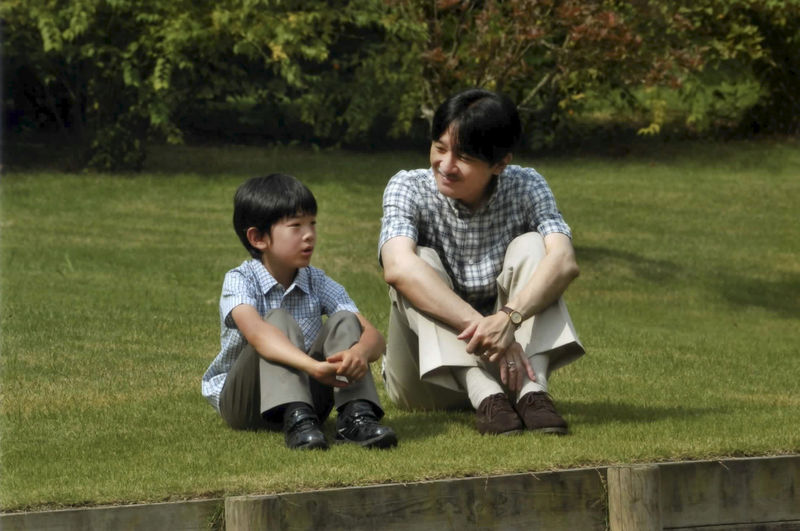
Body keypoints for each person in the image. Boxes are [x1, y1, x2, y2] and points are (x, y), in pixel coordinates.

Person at [379, 88, 584, 436]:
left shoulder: (526, 184)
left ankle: (532, 393)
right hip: (425, 382)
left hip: (510, 370)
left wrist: (511, 316)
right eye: (439, 148)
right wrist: (491, 328)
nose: (445, 165)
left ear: (501, 163)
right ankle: (483, 394)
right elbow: (397, 267)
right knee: (418, 261)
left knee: (537, 247)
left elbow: (564, 261)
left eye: (464, 157)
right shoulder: (407, 187)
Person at [202, 173, 397, 450]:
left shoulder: (317, 280)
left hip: (311, 399)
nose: (309, 235)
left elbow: (374, 337)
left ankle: (356, 416)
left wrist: (359, 354)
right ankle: (296, 419)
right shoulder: (240, 279)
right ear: (258, 238)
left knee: (345, 320)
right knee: (277, 320)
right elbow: (258, 335)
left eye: (312, 224)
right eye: (296, 226)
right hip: (246, 404)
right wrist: (314, 367)